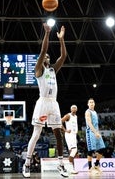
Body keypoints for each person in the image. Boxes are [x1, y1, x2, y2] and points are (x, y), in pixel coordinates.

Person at [22, 23, 67, 178]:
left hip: (54, 103)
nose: (47, 56)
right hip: (42, 103)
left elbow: (64, 57)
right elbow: (43, 50)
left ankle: (61, 165)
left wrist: (61, 39)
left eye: (48, 56)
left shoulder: (53, 69)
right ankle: (27, 163)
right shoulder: (39, 69)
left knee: (58, 135)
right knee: (36, 133)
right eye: (45, 57)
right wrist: (47, 33)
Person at [85, 98, 105, 174]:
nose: (91, 103)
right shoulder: (87, 112)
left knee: (102, 149)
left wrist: (98, 132)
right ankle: (90, 168)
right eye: (90, 102)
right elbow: (89, 123)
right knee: (91, 150)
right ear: (88, 104)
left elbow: (96, 124)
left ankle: (96, 165)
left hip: (96, 132)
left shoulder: (95, 112)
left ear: (94, 103)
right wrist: (95, 132)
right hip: (90, 132)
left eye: (92, 102)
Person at [61, 105, 79, 174]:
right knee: (74, 150)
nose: (74, 109)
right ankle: (70, 167)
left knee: (72, 152)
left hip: (74, 135)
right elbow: (60, 121)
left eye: (75, 108)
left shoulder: (76, 116)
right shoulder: (68, 115)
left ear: (76, 110)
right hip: (69, 135)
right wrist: (65, 130)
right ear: (71, 109)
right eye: (73, 108)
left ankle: (72, 169)